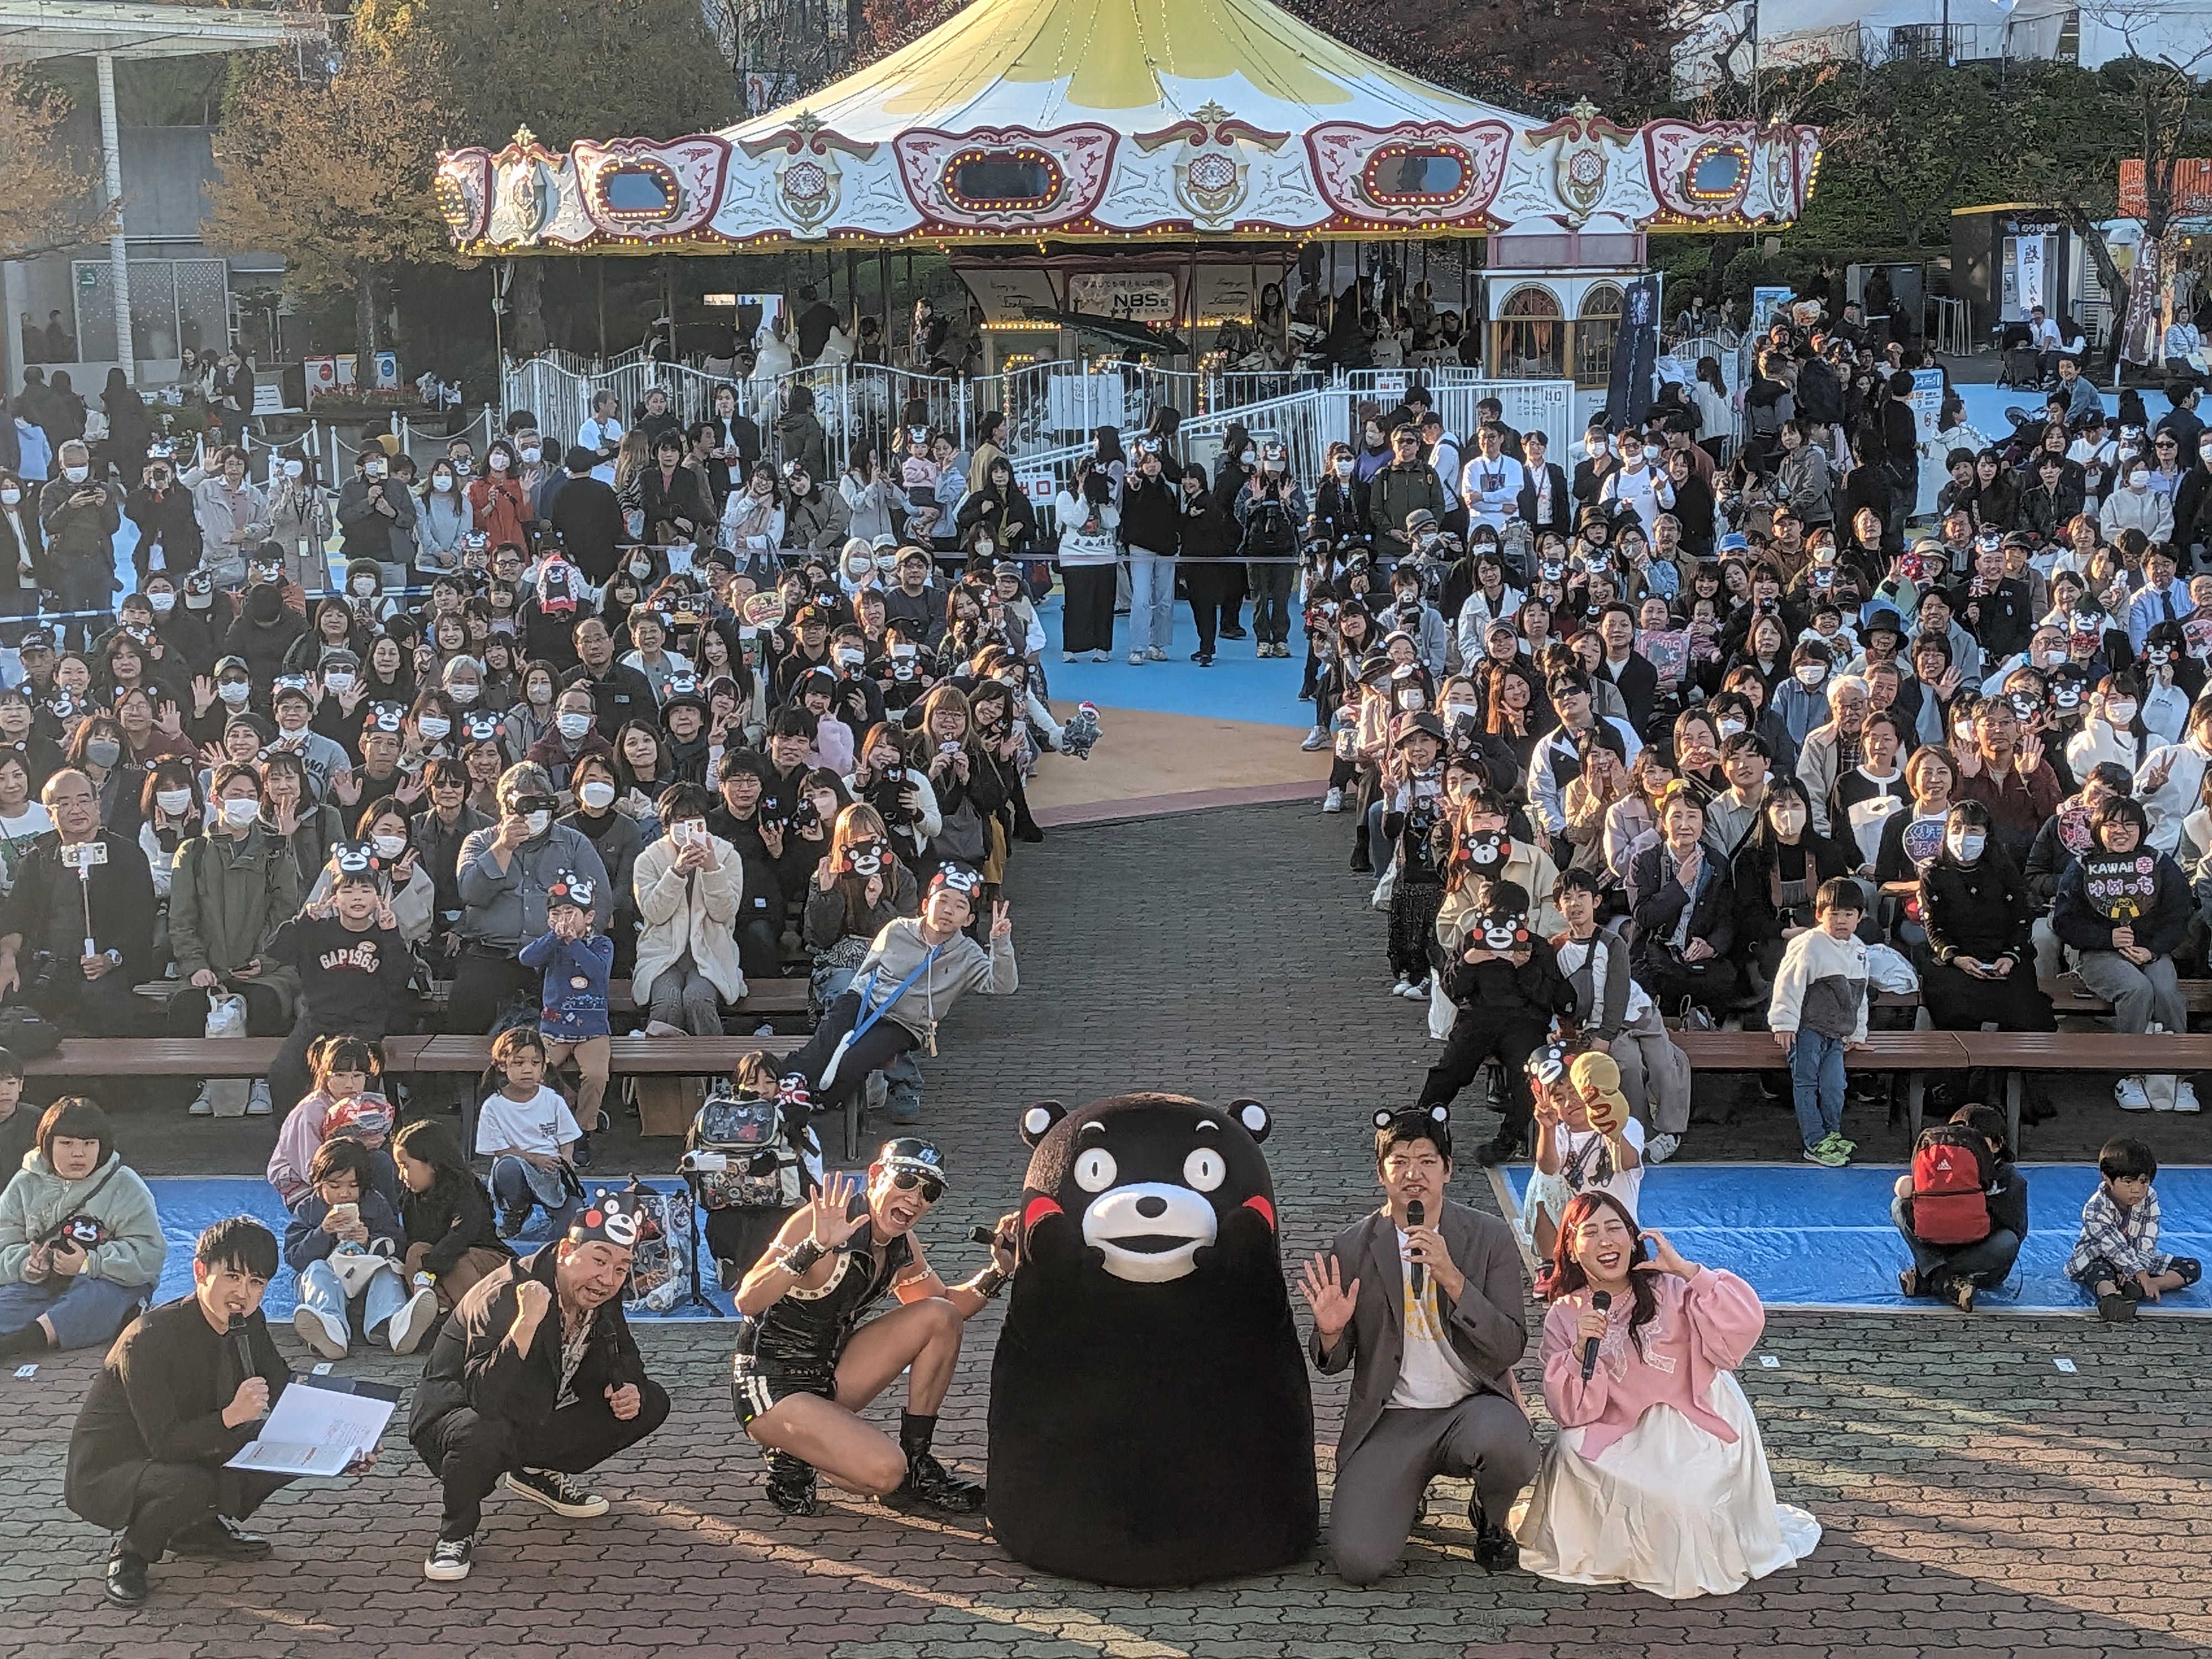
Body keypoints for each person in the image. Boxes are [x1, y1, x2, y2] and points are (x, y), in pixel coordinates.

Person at [1511, 1193, 1820, 1598]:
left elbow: (1742, 1328)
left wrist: (1693, 1273)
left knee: (1684, 1500)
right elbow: (1570, 1411)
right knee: (1568, 1454)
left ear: (1633, 1236)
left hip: (1692, 1417)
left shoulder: (1673, 1288)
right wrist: (1577, 1351)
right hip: (1615, 1424)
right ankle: (1608, 1555)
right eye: (1591, 1232)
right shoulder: (1565, 1313)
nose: (1606, 1241)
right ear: (1572, 1247)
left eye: (1614, 1228)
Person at [1296, 1104, 1538, 1585]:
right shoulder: (1352, 1247)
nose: (1413, 1174)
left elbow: (1509, 1346)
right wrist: (1329, 1331)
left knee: (1508, 1444)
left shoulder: (1488, 1237)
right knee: (1359, 1564)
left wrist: (1452, 1278)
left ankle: (1491, 1519)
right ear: (1381, 1174)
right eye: (1399, 1161)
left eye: (1427, 1161)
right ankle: (1403, 1492)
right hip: (1393, 1417)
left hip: (1471, 1408)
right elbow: (1334, 1363)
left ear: (1447, 1171)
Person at [408, 1190, 671, 1581]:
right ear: (567, 1250)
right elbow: (485, 1396)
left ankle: (532, 1470)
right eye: (599, 1261)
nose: (607, 1278)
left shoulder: (599, 1292)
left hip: (529, 1410)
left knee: (650, 1402)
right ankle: (455, 1534)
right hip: (455, 1419)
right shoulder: (505, 1293)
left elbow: (623, 1353)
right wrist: (525, 1326)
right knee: (483, 1431)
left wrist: (627, 1386)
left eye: (621, 1268)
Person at [733, 1150, 1011, 1517]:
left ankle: (917, 1461)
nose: (915, 1198)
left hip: (830, 1375)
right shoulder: (821, 1221)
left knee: (940, 1316)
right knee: (882, 1473)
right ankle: (788, 1448)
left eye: (929, 1192)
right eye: (907, 1181)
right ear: (877, 1174)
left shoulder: (901, 1242)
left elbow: (948, 1307)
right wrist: (814, 1247)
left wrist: (999, 1270)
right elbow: (748, 1299)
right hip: (770, 1386)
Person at [62, 1217, 299, 1606]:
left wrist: (344, 1444)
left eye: (257, 1283)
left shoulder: (249, 1321)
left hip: (190, 1444)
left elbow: (284, 1384)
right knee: (190, 1483)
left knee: (291, 1445)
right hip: (116, 1467)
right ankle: (131, 1554)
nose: (243, 1293)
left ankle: (194, 1529)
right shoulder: (149, 1337)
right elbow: (166, 1443)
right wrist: (231, 1417)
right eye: (233, 1277)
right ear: (200, 1271)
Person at [781, 863, 1016, 1129]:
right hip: (866, 1001)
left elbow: (1002, 985)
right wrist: (855, 999)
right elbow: (867, 969)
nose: (949, 910)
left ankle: (817, 1102)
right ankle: (791, 1078)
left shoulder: (968, 954)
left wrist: (1000, 943)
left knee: (853, 1061)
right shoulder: (897, 929)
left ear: (969, 919)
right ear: (926, 904)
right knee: (832, 1029)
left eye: (960, 906)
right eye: (943, 901)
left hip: (905, 1024)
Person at [1416, 875, 1575, 1166]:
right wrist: (1469, 963)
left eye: (1511, 920)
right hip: (1478, 1018)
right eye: (1494, 919)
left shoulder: (1536, 948)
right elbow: (1452, 990)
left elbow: (1551, 998)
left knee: (1527, 1075)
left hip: (1524, 1022)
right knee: (1452, 1067)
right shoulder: (1471, 942)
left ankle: (1510, 1137)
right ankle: (1423, 1122)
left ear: (1524, 922)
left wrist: (1525, 968)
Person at [2052, 795, 2195, 1112]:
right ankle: (2131, 1073)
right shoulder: (2082, 866)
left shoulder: (2159, 863)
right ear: (2098, 829)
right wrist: (2108, 937)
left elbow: (2180, 914)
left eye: (2129, 824)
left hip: (2152, 952)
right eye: (2111, 824)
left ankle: (2179, 1075)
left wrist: (2152, 948)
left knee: (2166, 990)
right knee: (2136, 989)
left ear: (2142, 829)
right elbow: (2064, 920)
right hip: (2098, 955)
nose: (2121, 831)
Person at [0, 1098, 164, 1355]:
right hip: (42, 1284)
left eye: (89, 1144)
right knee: (10, 1302)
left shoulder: (124, 1185)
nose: (79, 1153)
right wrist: (27, 1265)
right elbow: (4, 1241)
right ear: (47, 1144)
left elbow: (149, 1255)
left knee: (94, 1301)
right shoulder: (24, 1184)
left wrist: (89, 1264)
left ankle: (26, 1341)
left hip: (107, 1281)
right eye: (67, 1144)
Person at [0, 769, 155, 1037]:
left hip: (106, 967)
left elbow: (140, 923)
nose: (76, 810)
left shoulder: (127, 856)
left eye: (84, 801)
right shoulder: (37, 861)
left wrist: (110, 958)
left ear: (98, 805)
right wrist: (7, 959)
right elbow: (17, 919)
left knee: (101, 1000)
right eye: (64, 803)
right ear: (50, 814)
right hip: (47, 965)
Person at [283, 1135, 439, 1360]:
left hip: (365, 1278)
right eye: (335, 1186)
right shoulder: (308, 1209)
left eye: (353, 1186)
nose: (345, 1193)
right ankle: (331, 1328)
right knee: (317, 1270)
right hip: (329, 1277)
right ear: (318, 1184)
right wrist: (322, 1233)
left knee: (387, 1269)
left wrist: (371, 1241)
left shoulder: (374, 1203)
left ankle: (392, 1324)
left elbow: (397, 1241)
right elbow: (294, 1257)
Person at [1767, 877, 1869, 1168]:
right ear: (1819, 915)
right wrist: (1784, 1023)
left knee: (1836, 1085)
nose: (1841, 920)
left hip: (1836, 1037)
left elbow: (1860, 997)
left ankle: (1832, 1134)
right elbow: (1788, 983)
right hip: (1807, 1031)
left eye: (1848, 914)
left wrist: (1857, 1033)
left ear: (1860, 917)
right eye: (1833, 913)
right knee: (1806, 1083)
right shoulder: (1808, 944)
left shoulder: (1860, 950)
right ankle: (1814, 1141)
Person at [1893, 1104, 2026, 1312]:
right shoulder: (1940, 1169)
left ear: (1997, 1145)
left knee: (2008, 1242)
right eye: (1962, 1141)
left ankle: (1932, 1277)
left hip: (1980, 1257)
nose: (1970, 1149)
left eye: (1977, 1142)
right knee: (1899, 1206)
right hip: (1940, 1248)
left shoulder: (2008, 1177)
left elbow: (2017, 1230)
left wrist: (1976, 1208)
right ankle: (1946, 1281)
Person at [517, 871, 613, 1137]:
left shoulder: (601, 944)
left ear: (589, 917)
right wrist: (554, 938)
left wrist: (572, 942)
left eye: (570, 913)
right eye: (556, 914)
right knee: (537, 1072)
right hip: (553, 1029)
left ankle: (584, 1129)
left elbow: (597, 971)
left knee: (596, 1076)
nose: (563, 920)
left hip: (592, 1031)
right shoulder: (550, 945)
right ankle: (548, 1123)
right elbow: (527, 958)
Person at [2067, 1136, 2203, 1321]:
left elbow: (2148, 1238)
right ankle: (2111, 1298)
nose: (2137, 1190)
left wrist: (2142, 1274)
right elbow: (2112, 1247)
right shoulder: (2095, 1208)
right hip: (2100, 1257)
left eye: (2144, 1182)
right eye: (2129, 1182)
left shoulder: (2150, 1198)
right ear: (2107, 1179)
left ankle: (2145, 1287)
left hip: (2138, 1260)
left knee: (2192, 1267)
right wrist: (2137, 1272)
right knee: (2098, 1272)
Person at [391, 1117, 514, 1314]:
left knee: (455, 1262)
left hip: (482, 1262)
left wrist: (429, 1267)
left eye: (405, 1166)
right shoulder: (411, 1199)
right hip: (440, 1264)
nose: (401, 1176)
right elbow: (418, 1242)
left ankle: (477, 1318)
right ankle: (435, 1311)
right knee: (415, 1252)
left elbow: (462, 1235)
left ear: (432, 1164)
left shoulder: (466, 1190)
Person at [477, 1026, 584, 1240]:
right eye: (519, 1063)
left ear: (544, 1067)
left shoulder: (553, 1100)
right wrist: (535, 1159)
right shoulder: (493, 1106)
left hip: (552, 1172)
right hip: (516, 1168)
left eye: (535, 1063)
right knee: (507, 1167)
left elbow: (567, 1137)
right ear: (501, 1065)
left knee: (572, 1228)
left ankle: (555, 1212)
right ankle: (515, 1211)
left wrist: (567, 1158)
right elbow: (500, 1150)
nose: (527, 1069)